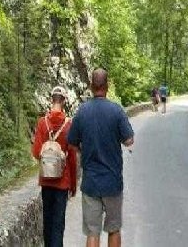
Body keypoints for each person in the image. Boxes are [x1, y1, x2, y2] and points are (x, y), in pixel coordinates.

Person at [68, 69, 134, 247]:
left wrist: (83, 151)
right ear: (107, 86)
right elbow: (129, 140)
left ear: (91, 86)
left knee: (92, 232)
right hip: (112, 182)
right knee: (114, 229)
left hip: (91, 183)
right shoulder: (117, 111)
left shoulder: (82, 112)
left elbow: (72, 143)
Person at [32, 86, 78, 247]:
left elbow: (36, 152)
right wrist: (73, 186)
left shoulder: (42, 123)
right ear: (64, 101)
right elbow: (72, 157)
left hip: (46, 180)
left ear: (52, 100)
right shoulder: (69, 125)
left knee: (48, 223)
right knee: (58, 225)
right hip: (62, 182)